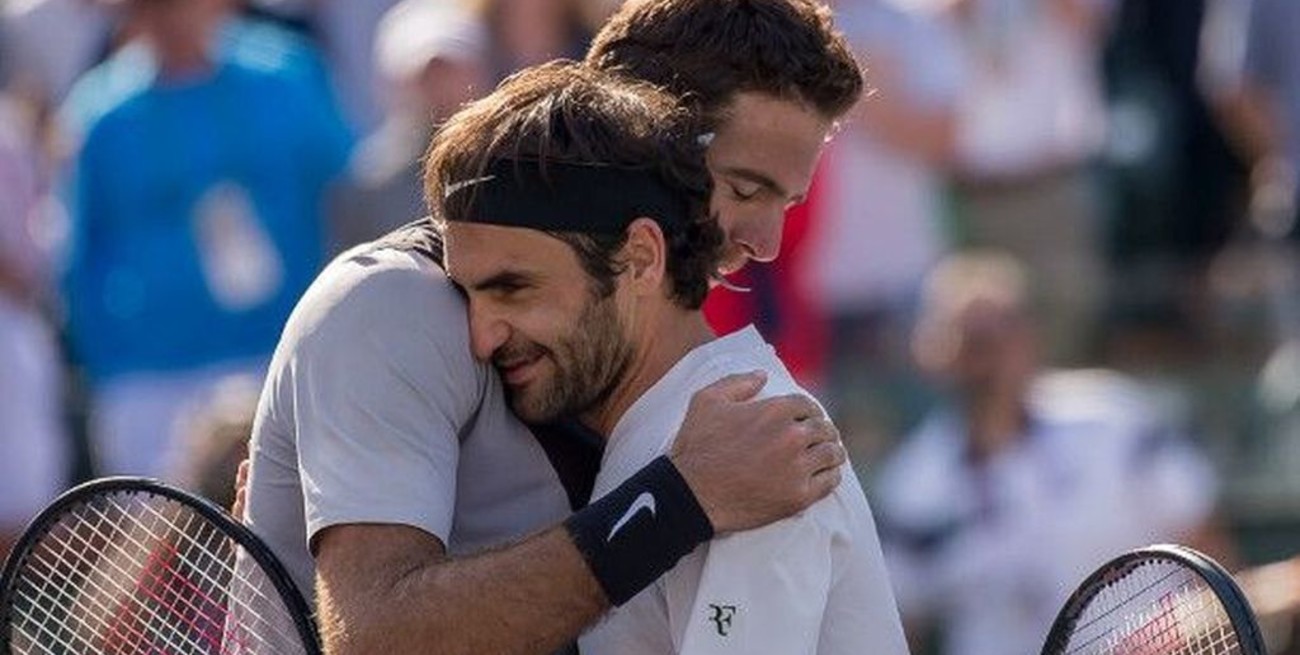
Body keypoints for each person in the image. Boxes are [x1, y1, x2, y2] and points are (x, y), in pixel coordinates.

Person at [243, 1, 865, 653]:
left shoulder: (672, 364)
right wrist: (677, 499)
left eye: (785, 203)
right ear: (639, 137)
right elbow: (377, 639)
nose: (767, 243)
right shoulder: (387, 304)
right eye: (743, 189)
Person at [430, 60, 906, 654]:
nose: (481, 337)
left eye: (514, 288)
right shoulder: (679, 434)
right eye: (465, 293)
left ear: (639, 258)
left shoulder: (756, 438)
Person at [873, 251, 1229, 655]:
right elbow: (899, 631)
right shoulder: (912, 484)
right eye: (970, 341)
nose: (986, 360)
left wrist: (1160, 642)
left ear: (1032, 338)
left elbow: (1217, 570)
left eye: (1000, 334)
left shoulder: (1116, 421)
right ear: (931, 352)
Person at [58, 0, 353, 478]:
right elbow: (79, 256)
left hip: (283, 352)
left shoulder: (287, 77)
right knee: (159, 547)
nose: (172, 15)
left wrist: (334, 331)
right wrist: (110, 367)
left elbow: (346, 198)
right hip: (153, 376)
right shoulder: (101, 113)